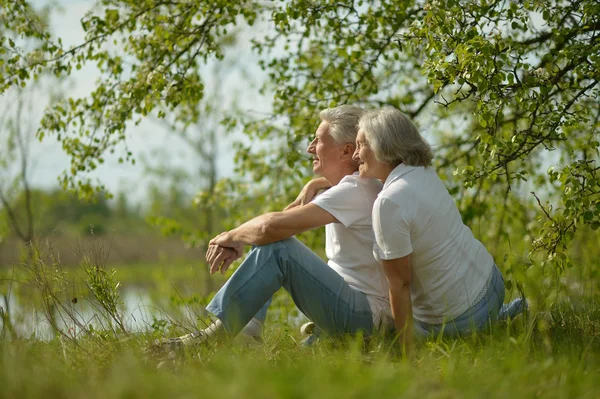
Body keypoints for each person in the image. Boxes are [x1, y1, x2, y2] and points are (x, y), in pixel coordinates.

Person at [158, 105, 391, 349]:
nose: (310, 147)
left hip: (364, 317)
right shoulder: (355, 187)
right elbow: (274, 225)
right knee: (272, 242)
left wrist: (232, 237)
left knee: (279, 247)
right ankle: (246, 333)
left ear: (346, 151)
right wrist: (315, 183)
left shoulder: (352, 191)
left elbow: (271, 228)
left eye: (318, 140)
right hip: (357, 310)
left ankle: (218, 336)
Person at [352, 107, 526, 351]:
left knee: (383, 328)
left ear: (383, 145)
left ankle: (484, 326)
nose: (355, 155)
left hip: (462, 319)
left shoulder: (388, 202)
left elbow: (399, 285)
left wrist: (406, 355)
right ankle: (501, 317)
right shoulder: (423, 173)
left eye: (361, 145)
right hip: (493, 283)